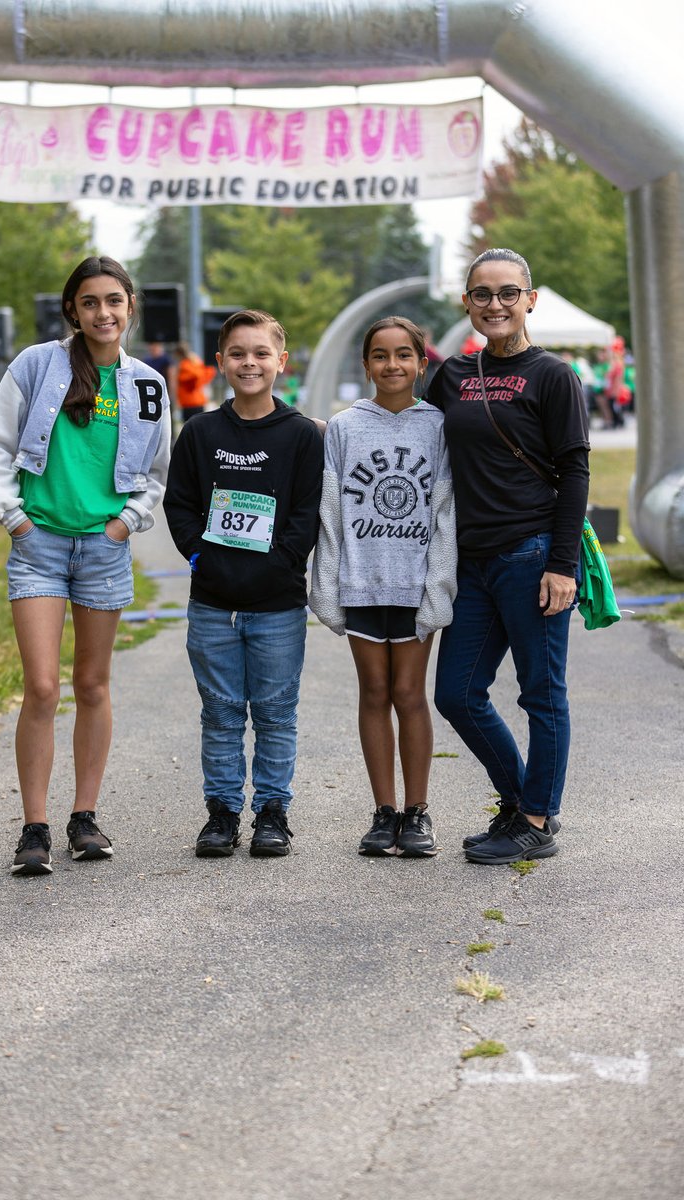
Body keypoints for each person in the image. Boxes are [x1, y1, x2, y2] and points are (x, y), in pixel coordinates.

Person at [0, 256, 171, 876]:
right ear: (72, 310)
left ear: (130, 307)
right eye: (90, 302)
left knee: (92, 684)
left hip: (103, 550)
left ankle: (84, 817)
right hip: (40, 546)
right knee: (41, 686)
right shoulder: (36, 365)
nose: (103, 313)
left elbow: (156, 472)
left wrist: (124, 524)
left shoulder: (147, 384)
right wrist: (15, 519)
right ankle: (33, 828)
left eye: (114, 300)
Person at [428, 248, 589, 865]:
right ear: (466, 302)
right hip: (472, 561)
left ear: (530, 300)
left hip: (532, 553)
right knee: (457, 693)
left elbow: (574, 472)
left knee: (541, 695)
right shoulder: (452, 375)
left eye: (507, 293)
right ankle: (521, 800)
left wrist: (562, 565)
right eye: (482, 294)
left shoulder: (553, 376)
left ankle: (537, 821)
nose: (494, 304)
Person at [163, 309, 324, 859]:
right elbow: (179, 504)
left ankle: (273, 813)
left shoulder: (302, 435)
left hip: (278, 604)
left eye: (260, 353)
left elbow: (307, 513)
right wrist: (200, 557)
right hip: (212, 603)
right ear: (220, 363)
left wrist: (279, 563)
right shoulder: (200, 432)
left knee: (276, 713)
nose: (248, 363)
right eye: (237, 354)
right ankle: (222, 813)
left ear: (281, 361)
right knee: (221, 713)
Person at [309, 317, 457, 857]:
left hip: (415, 584)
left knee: (409, 694)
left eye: (403, 355)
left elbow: (445, 512)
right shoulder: (345, 427)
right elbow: (330, 511)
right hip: (362, 583)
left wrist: (437, 587)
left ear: (421, 363)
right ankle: (384, 811)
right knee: (373, 692)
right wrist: (327, 584)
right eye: (380, 355)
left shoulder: (439, 426)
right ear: (366, 364)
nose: (391, 364)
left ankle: (417, 812)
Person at [173, 341, 216, 422]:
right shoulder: (196, 362)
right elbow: (209, 372)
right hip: (198, 401)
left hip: (189, 403)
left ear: (178, 354)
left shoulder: (185, 365)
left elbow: (195, 376)